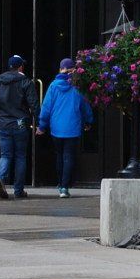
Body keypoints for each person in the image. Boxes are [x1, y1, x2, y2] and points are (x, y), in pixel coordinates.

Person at [36, 58, 94, 198]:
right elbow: (85, 106)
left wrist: (42, 126)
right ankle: (64, 187)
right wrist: (88, 121)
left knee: (59, 156)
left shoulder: (53, 86)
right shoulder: (77, 86)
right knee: (68, 156)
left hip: (56, 127)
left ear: (60, 69)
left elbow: (46, 108)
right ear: (73, 70)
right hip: (73, 128)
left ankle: (60, 183)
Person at [0, 53, 34, 199]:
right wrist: (38, 122)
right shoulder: (26, 82)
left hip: (3, 124)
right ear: (20, 66)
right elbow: (33, 104)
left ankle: (0, 177)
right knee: (20, 156)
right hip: (20, 123)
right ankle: (18, 190)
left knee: (5, 155)